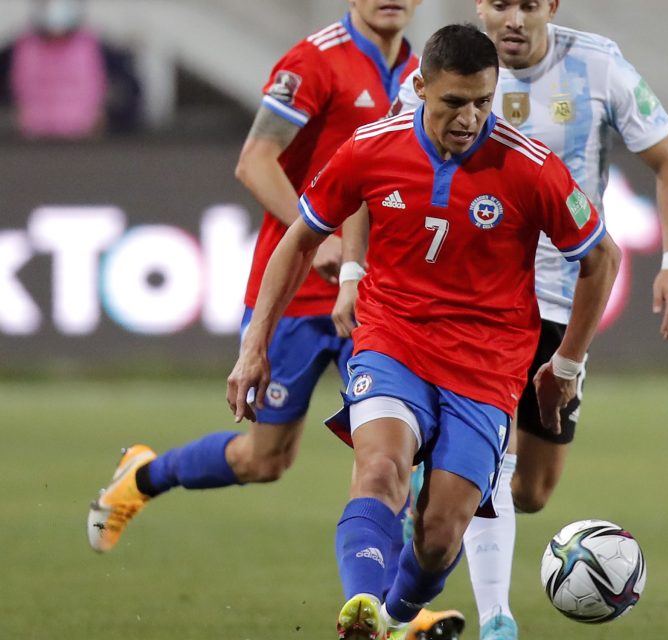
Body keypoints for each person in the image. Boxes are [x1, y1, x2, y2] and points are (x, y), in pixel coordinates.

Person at [227, 22, 619, 639]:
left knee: (440, 537)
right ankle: (361, 608)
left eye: (483, 102)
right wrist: (254, 348)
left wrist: (565, 364)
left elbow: (602, 259)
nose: (469, 118)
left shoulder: (529, 167)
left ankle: (394, 614)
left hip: (486, 367)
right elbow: (299, 239)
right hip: (393, 342)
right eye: (453, 103)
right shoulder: (369, 148)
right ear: (420, 88)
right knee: (380, 470)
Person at [333, 2, 668, 636]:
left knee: (531, 490)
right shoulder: (432, 76)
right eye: (501, 3)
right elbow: (370, 175)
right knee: (469, 472)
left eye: (529, 3)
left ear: (550, 6)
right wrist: (354, 273)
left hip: (561, 298)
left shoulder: (599, 66)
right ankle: (496, 617)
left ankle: (436, 485)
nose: (515, 17)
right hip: (467, 312)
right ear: (480, 7)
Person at [87, 0, 422, 581]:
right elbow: (254, 161)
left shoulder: (422, 75)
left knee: (388, 461)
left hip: (371, 297)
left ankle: (392, 608)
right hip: (294, 292)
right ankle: (144, 476)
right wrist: (314, 235)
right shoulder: (314, 63)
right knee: (264, 459)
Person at [0, 0, 142, 139]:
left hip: (85, 145)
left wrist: (111, 120)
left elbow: (130, 92)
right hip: (27, 145)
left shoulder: (99, 49)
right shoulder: (17, 49)